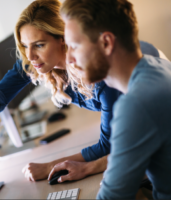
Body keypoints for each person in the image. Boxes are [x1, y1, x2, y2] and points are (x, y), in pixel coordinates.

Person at [0, 0, 159, 184]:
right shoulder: (41, 62)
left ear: (62, 38)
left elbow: (108, 146)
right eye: (24, 46)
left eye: (39, 45)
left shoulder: (101, 72)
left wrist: (49, 166)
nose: (30, 56)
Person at [47, 0, 171, 199]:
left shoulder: (136, 104)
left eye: (74, 46)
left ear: (106, 43)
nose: (68, 59)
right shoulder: (155, 64)